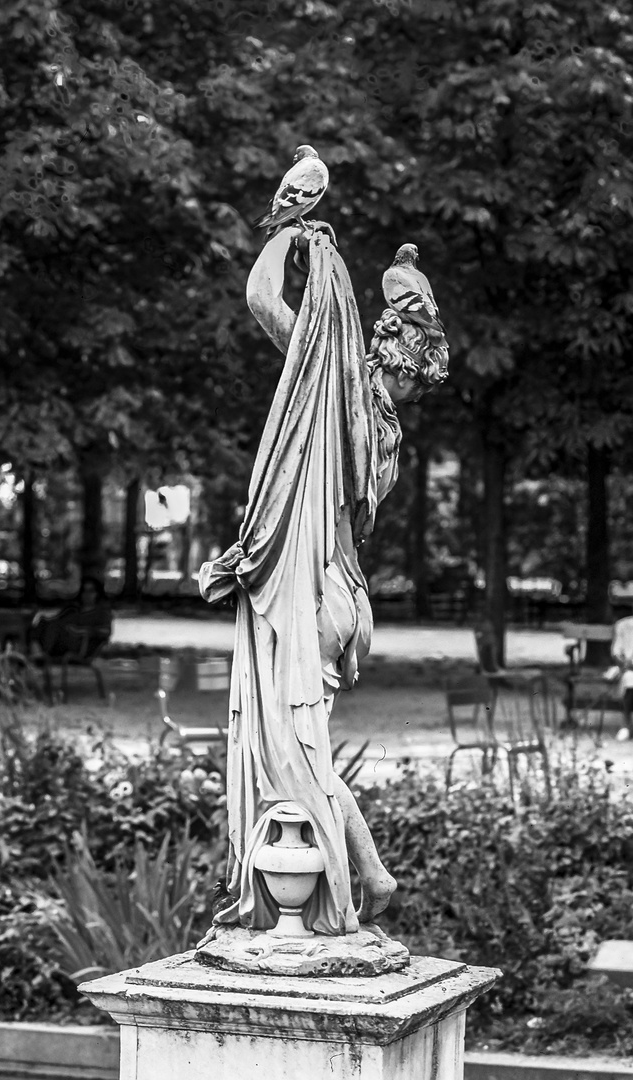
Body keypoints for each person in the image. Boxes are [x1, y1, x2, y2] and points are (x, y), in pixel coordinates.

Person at [200, 223, 447, 936]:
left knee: (290, 761)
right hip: (348, 597)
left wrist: (288, 234)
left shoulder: (336, 396)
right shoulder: (388, 440)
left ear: (380, 349)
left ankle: (363, 876)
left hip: (308, 595)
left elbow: (259, 297)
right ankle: (360, 876)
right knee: (298, 755)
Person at [32, 576, 112, 659]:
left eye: (91, 591)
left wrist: (82, 630)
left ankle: (41, 653)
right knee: (43, 624)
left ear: (97, 593)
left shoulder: (101, 613)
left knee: (56, 627)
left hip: (79, 644)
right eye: (84, 591)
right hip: (60, 638)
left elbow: (106, 631)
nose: (87, 595)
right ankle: (36, 651)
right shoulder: (72, 609)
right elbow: (56, 619)